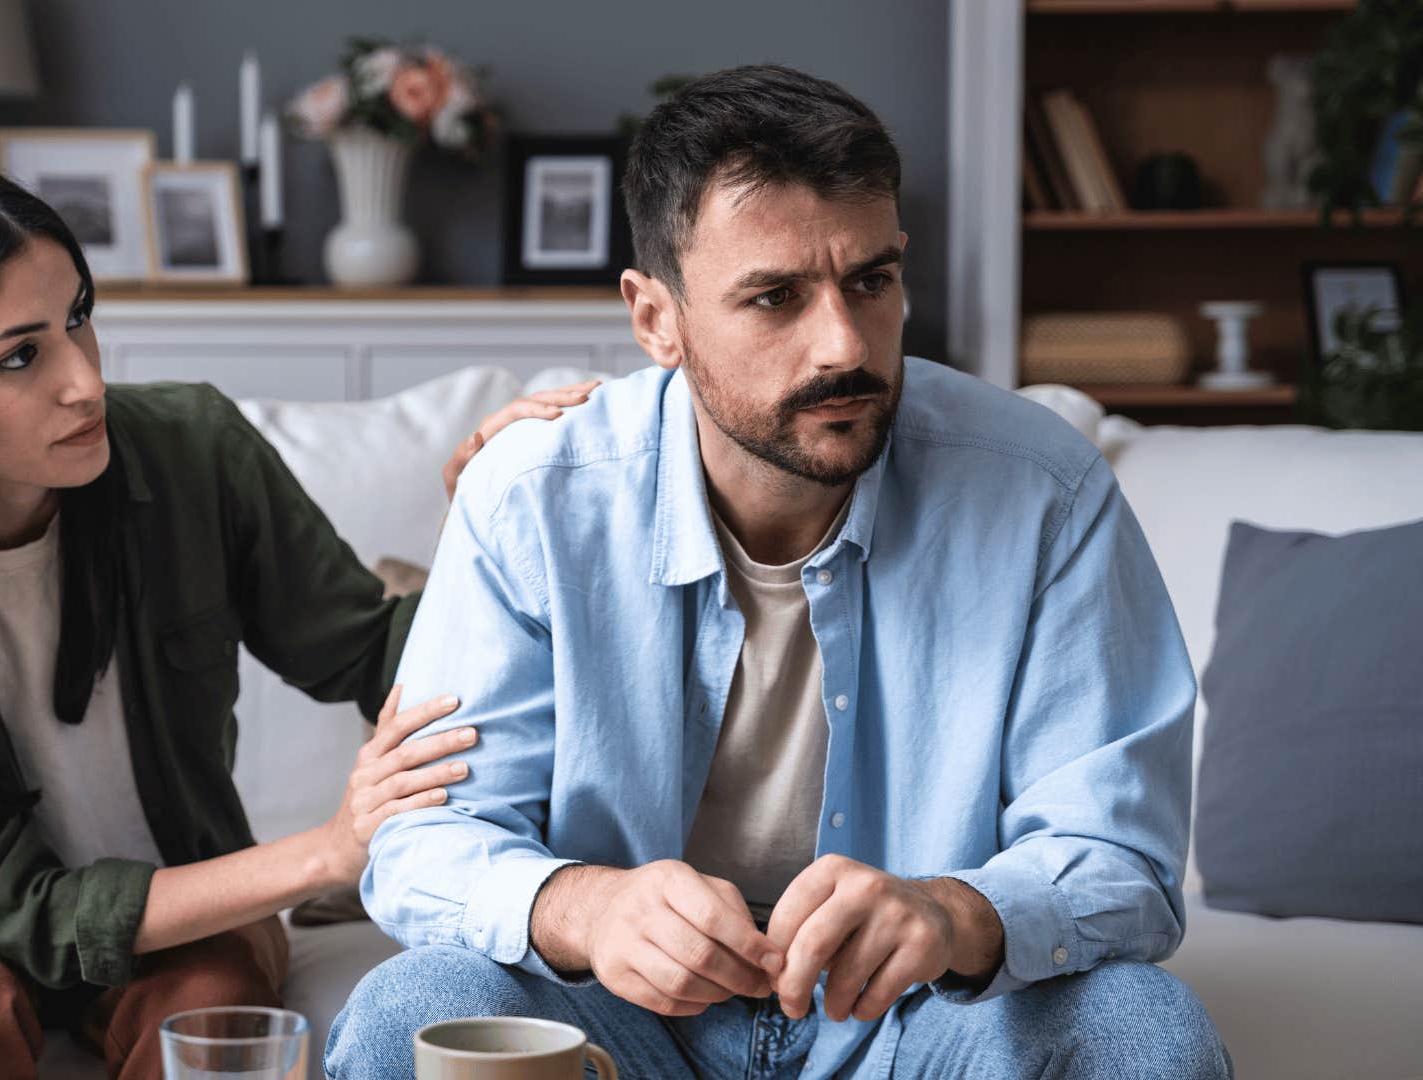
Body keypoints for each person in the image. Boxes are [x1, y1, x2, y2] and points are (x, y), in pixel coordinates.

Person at [328, 65, 1232, 1079]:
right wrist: (586, 907)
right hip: (619, 1018)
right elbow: (427, 842)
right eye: (774, 297)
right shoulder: (533, 498)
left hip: (921, 1015)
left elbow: (1124, 861)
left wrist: (955, 912)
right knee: (412, 1010)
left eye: (872, 281)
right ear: (655, 318)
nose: (844, 344)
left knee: (1140, 1031)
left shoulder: (1045, 494)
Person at [0, 154, 592, 1080]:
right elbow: (20, 910)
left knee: (208, 1020)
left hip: (188, 893)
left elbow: (372, 655)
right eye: (20, 356)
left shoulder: (192, 451)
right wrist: (326, 853)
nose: (84, 381)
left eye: (78, 318)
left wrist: (484, 517)